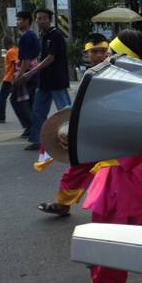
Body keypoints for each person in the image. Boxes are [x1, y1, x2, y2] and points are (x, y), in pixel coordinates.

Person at [62, 29, 142, 283]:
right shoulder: (121, 91)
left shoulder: (140, 96)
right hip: (117, 182)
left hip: (124, 186)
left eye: (113, 55)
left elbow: (135, 145)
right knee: (120, 255)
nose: (106, 59)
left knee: (112, 256)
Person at [36, 34, 110, 217]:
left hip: (111, 132)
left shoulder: (114, 73)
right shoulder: (89, 74)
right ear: (87, 53)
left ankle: (115, 211)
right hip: (92, 132)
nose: (99, 55)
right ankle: (62, 204)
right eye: (94, 51)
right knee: (77, 170)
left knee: (113, 173)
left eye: (102, 51)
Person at [20, 9, 71, 151]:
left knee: (65, 111)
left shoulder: (56, 35)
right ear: (35, 20)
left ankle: (73, 137)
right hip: (44, 81)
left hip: (57, 80)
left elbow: (51, 57)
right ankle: (37, 140)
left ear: (50, 20)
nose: (41, 21)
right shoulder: (42, 35)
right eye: (39, 18)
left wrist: (32, 72)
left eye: (44, 18)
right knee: (38, 111)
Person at [13, 10, 39, 137]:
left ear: (27, 21)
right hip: (33, 72)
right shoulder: (32, 35)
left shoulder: (26, 37)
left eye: (20, 20)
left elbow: (26, 59)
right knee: (30, 101)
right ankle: (33, 127)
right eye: (17, 20)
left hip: (28, 73)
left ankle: (31, 127)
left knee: (19, 100)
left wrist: (20, 75)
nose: (17, 22)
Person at [0, 36, 18, 124]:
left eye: (3, 43)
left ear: (5, 43)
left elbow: (16, 64)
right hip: (12, 78)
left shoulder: (11, 51)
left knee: (2, 98)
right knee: (17, 99)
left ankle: (1, 117)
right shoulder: (15, 50)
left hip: (9, 79)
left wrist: (14, 77)